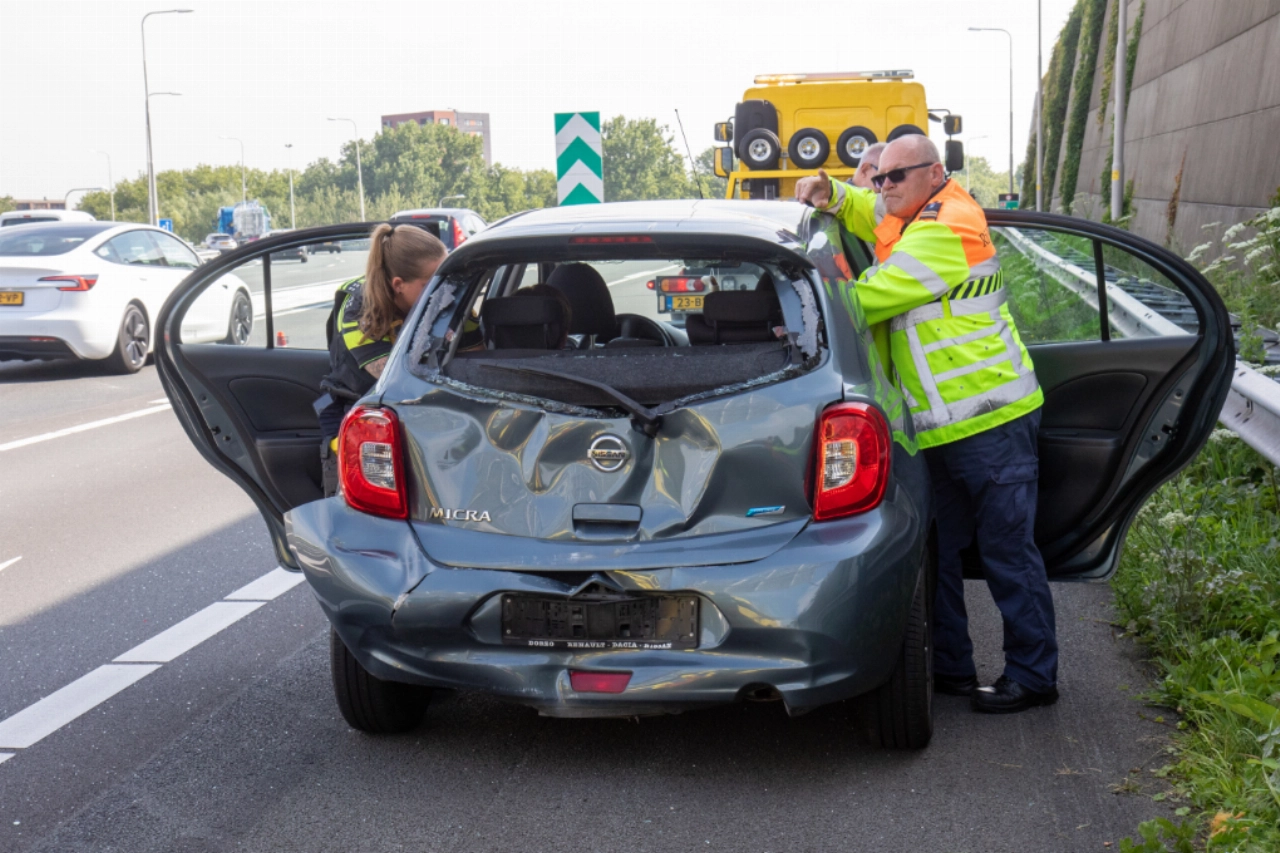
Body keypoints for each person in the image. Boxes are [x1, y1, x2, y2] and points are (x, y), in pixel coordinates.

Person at [795, 135, 1058, 714]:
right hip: (939, 430)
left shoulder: (947, 229)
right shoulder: (915, 211)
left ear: (934, 172)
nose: (883, 188)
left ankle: (1035, 678)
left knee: (1007, 555)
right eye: (879, 178)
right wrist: (834, 195)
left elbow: (862, 302)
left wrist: (799, 298)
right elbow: (876, 214)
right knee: (936, 556)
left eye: (895, 177)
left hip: (991, 421)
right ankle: (952, 670)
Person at [316, 223, 447, 494]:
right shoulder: (359, 309)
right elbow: (396, 381)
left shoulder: (438, 299)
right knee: (366, 527)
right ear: (398, 285)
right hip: (360, 425)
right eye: (430, 284)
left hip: (415, 422)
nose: (441, 291)